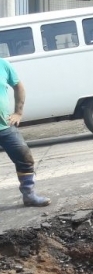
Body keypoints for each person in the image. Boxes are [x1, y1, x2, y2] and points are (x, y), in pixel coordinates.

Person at [0, 57, 50, 207]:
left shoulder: (3, 64)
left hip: (4, 126)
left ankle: (29, 195)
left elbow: (19, 86)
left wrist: (18, 113)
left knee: (24, 157)